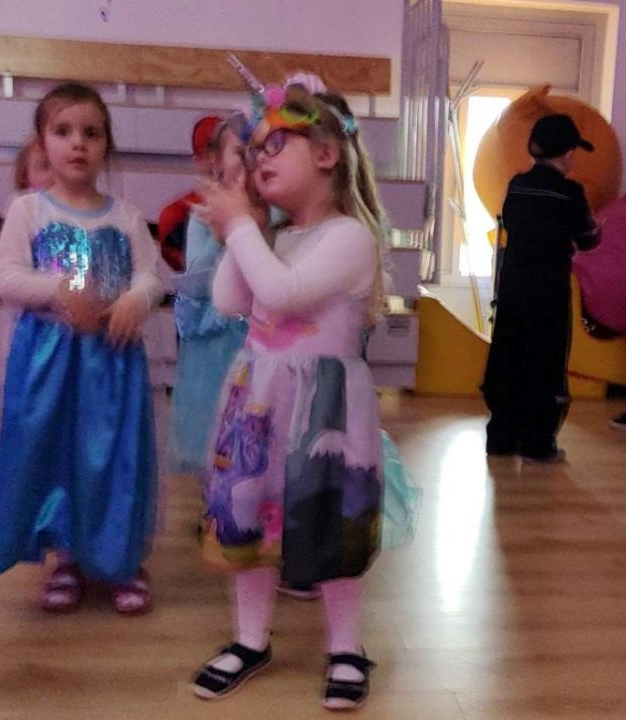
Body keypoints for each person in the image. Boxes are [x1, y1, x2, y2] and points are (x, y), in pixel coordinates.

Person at [189, 75, 387, 710]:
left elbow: (282, 293)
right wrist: (247, 226)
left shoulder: (350, 236)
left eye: (273, 146)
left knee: (329, 525)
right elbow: (229, 300)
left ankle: (347, 647)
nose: (258, 161)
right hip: (261, 403)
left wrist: (242, 229)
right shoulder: (272, 235)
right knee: (252, 521)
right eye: (252, 153)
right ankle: (251, 639)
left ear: (326, 154)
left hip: (323, 412)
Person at [0, 83, 164, 615]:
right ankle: (66, 557)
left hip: (112, 360)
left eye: (92, 133)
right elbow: (5, 276)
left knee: (113, 456)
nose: (78, 143)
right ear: (42, 142)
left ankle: (122, 559)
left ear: (107, 145)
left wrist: (136, 298)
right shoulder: (29, 210)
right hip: (49, 362)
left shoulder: (125, 216)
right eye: (63, 132)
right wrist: (59, 290)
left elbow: (151, 275)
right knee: (58, 455)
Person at [483, 114, 599, 463]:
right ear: (567, 154)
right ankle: (537, 443)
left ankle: (500, 437)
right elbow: (588, 239)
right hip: (549, 291)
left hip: (513, 286)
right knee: (545, 361)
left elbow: (510, 222)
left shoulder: (517, 186)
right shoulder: (571, 193)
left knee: (508, 355)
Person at [168, 116, 250, 478]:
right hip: (216, 340)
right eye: (240, 152)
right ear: (217, 161)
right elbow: (196, 279)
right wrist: (221, 235)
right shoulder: (203, 215)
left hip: (255, 334)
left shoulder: (273, 212)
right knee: (215, 420)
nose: (250, 159)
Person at [156, 115, 222, 271]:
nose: (216, 161)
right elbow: (193, 276)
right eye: (209, 152)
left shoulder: (259, 204)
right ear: (197, 160)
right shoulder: (176, 216)